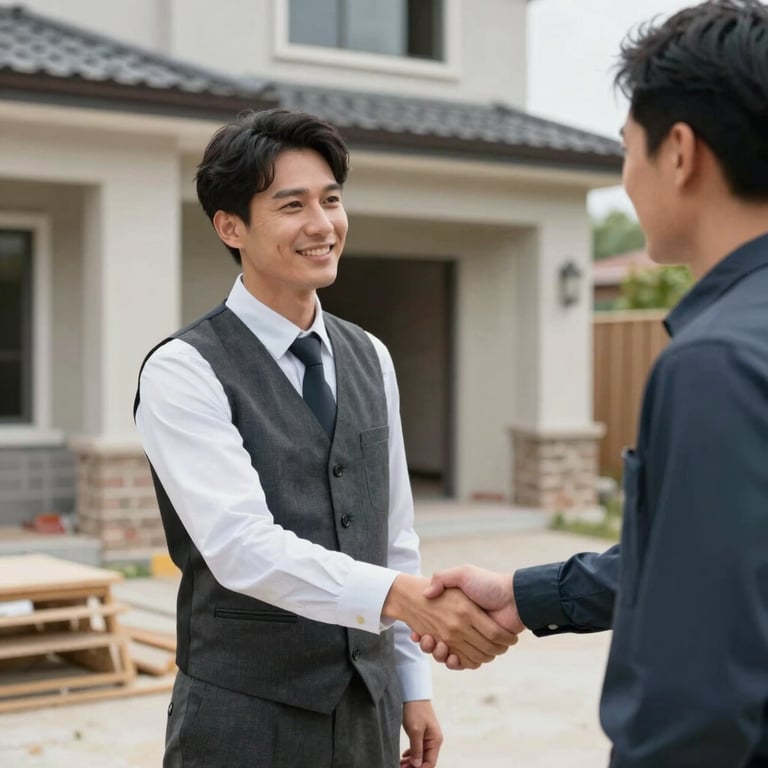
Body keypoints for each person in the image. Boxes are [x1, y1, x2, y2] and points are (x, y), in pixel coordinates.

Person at [415, 1, 768, 765]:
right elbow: (724, 553)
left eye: (626, 148)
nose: (626, 176)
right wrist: (525, 594)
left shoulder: (717, 362)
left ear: (680, 152)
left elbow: (698, 696)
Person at [134, 108, 516, 768]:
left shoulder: (371, 355)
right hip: (241, 716)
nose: (322, 224)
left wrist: (412, 687)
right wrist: (409, 605)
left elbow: (393, 535)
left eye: (331, 200)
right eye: (292, 205)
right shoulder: (184, 369)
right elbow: (240, 547)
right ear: (231, 226)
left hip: (366, 707)